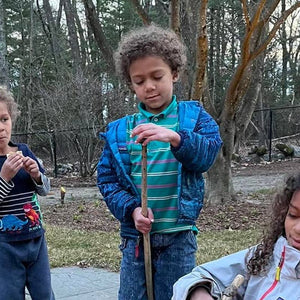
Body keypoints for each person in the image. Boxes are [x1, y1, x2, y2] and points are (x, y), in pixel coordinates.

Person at [97, 24, 222, 300]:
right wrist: (131, 211)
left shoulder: (194, 117)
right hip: (136, 240)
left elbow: (208, 154)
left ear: (174, 73)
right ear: (130, 83)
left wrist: (176, 138)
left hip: (178, 237)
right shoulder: (121, 130)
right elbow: (106, 180)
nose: (149, 86)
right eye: (139, 81)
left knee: (176, 296)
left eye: (157, 76)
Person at [172, 172, 300, 300]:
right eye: (293, 215)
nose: (297, 229)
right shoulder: (266, 256)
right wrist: (199, 292)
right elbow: (197, 276)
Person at [0, 86, 55, 299]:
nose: (1, 128)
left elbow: (45, 189)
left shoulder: (23, 150)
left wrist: (36, 176)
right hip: (5, 245)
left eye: (4, 119)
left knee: (44, 293)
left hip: (36, 239)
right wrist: (4, 177)